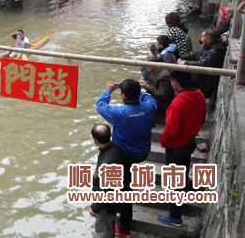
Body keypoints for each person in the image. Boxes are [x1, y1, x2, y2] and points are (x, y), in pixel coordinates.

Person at [96, 79, 157, 238]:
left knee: (125, 190)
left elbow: (100, 106)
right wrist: (139, 89)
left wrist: (108, 90)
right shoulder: (150, 107)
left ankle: (124, 227)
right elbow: (149, 98)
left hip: (124, 157)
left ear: (122, 95)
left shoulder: (119, 113)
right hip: (143, 152)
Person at [157, 71, 206, 227]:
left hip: (176, 146)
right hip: (190, 142)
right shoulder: (199, 96)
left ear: (175, 82)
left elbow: (171, 130)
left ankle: (175, 216)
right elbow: (203, 119)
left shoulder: (178, 102)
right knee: (183, 171)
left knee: (174, 182)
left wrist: (163, 140)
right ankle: (190, 188)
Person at [89, 124, 125, 238]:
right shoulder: (116, 148)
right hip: (115, 199)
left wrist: (95, 208)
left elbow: (106, 191)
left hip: (106, 205)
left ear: (95, 141)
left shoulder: (108, 162)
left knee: (103, 233)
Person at [177, 29, 226, 106]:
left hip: (206, 81)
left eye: (202, 37)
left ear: (209, 39)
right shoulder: (204, 46)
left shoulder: (216, 50)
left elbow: (203, 63)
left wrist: (185, 63)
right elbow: (193, 54)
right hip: (200, 76)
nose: (200, 39)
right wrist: (181, 58)